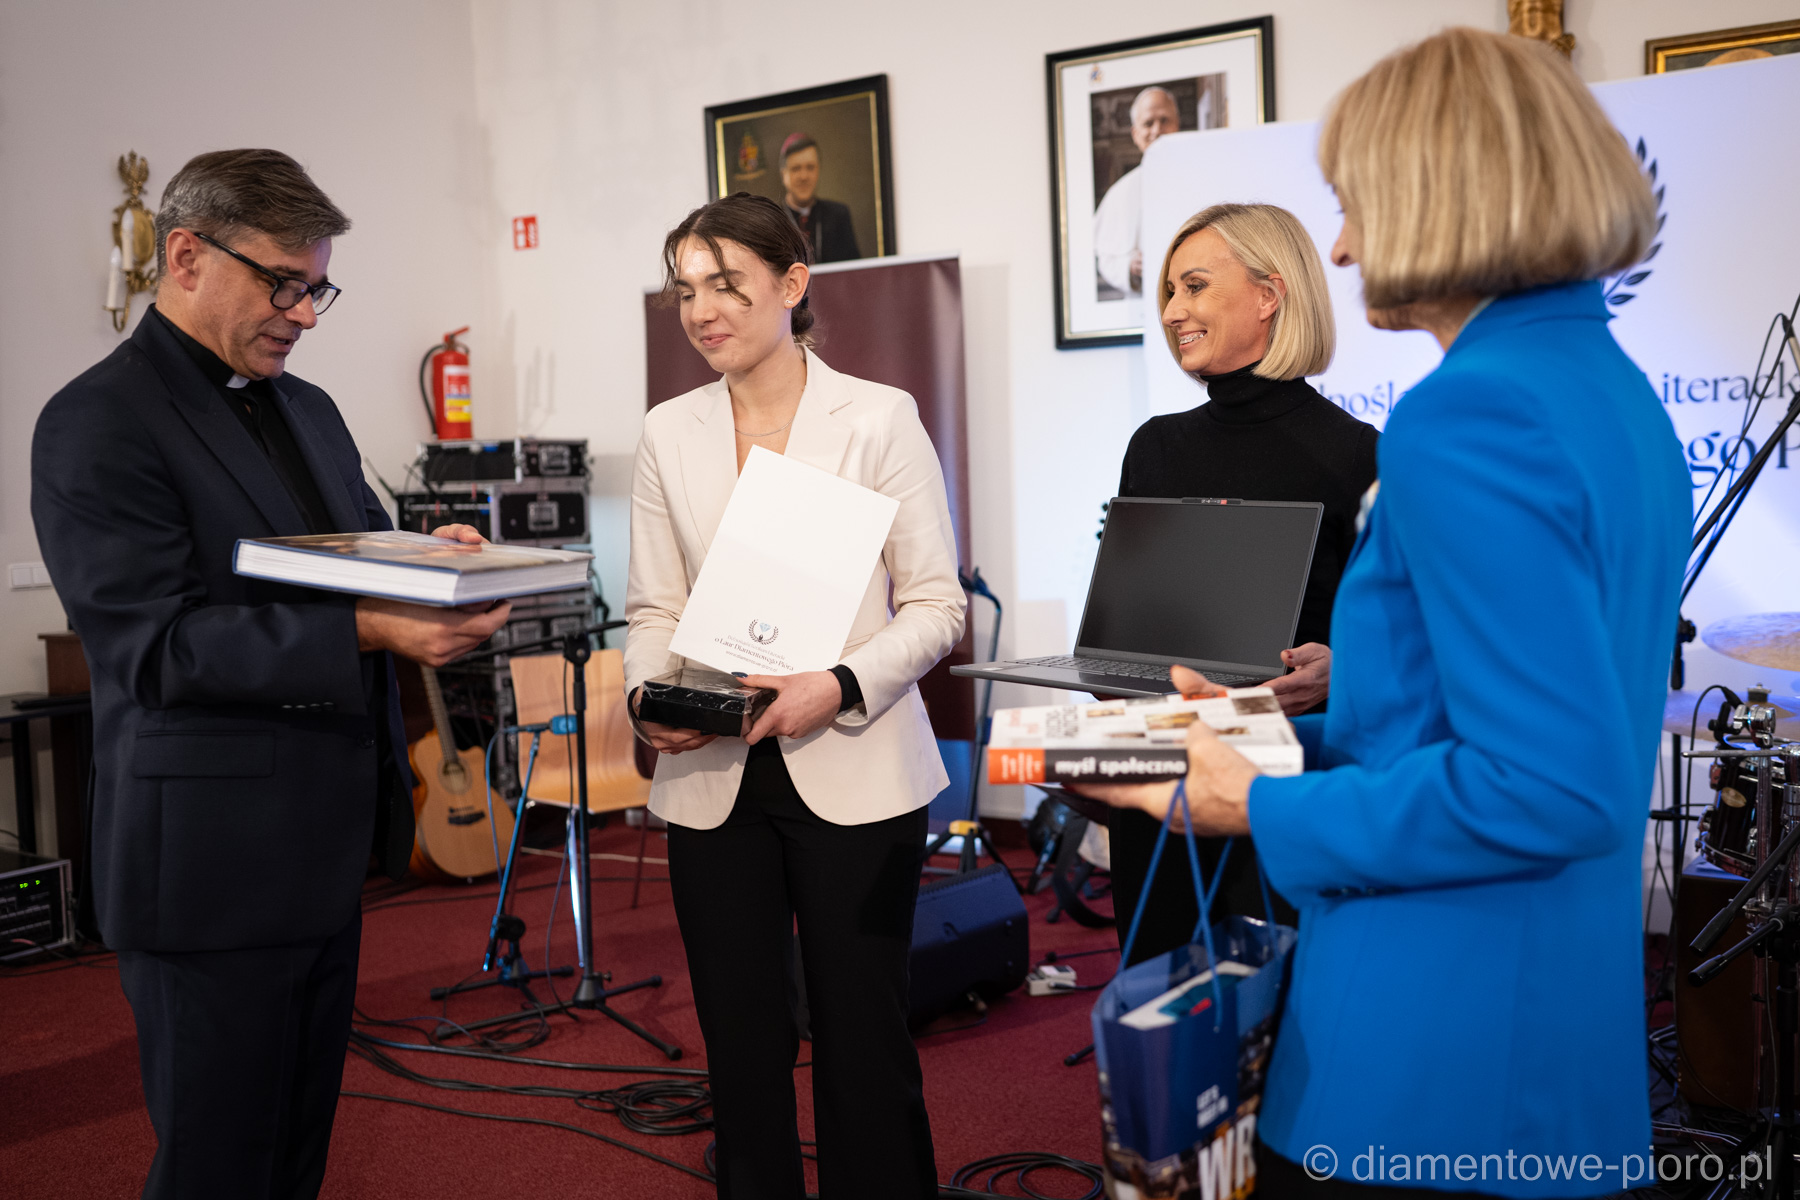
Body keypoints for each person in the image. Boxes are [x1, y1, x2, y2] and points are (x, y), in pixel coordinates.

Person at [1079, 28, 1684, 1198]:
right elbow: (1495, 720)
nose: (1345, 247)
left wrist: (1251, 799)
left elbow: (1546, 786)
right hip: (1560, 1031)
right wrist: (1274, 733)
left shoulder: (1471, 415)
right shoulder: (1611, 393)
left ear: (1439, 196)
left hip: (1429, 1045)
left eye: (1354, 206)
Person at [30, 149, 509, 1200]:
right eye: (282, 283)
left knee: (293, 1156)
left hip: (323, 848)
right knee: (218, 1166)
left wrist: (434, 562)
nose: (303, 314)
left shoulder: (310, 408)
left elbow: (357, 553)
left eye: (316, 288)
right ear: (186, 256)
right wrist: (371, 631)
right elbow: (156, 648)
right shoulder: (98, 419)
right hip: (209, 866)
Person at [625, 191, 963, 1198]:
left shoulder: (878, 418)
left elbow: (937, 604)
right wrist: (648, 697)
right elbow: (654, 607)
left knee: (863, 1037)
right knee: (739, 1042)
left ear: (792, 283)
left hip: (853, 762)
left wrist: (840, 683)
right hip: (713, 772)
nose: (701, 310)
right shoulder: (668, 431)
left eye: (726, 284)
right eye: (686, 289)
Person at [1109, 202, 1375, 965]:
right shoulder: (1154, 446)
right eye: (1169, 291)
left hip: (1287, 777)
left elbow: (1406, 646)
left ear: (1270, 294)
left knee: (1281, 997)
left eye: (1194, 286)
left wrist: (1344, 668)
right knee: (1159, 993)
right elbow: (1127, 635)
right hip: (1162, 765)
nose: (1172, 311)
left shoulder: (1361, 456)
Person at [1092, 85, 1182, 296]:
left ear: (1177, 124)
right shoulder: (1119, 192)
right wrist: (1130, 267)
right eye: (1148, 123)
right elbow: (1107, 260)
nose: (1157, 130)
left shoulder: (1202, 177)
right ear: (1135, 134)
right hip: (1144, 302)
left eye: (1164, 120)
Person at [779, 132, 862, 262]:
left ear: (818, 170)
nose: (804, 176)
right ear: (784, 174)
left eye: (810, 167)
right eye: (796, 168)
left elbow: (854, 269)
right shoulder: (772, 220)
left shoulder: (838, 215)